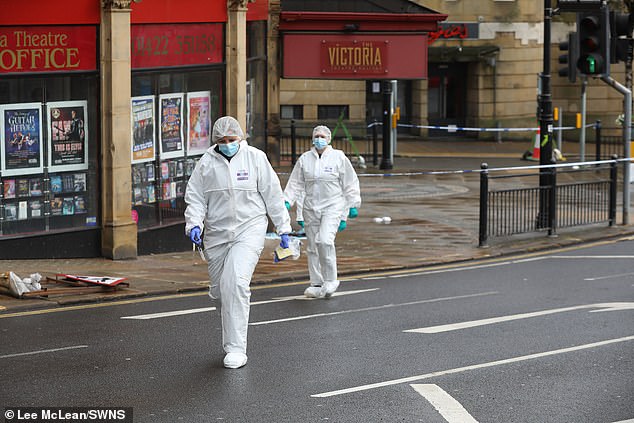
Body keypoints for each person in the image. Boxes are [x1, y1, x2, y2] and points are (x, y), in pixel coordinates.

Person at [184, 116, 292, 369]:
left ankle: (235, 348)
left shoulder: (255, 158)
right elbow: (196, 197)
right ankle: (231, 332)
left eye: (232, 140)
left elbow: (273, 194)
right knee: (219, 292)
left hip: (249, 229)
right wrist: (194, 223)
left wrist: (284, 228)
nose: (228, 144)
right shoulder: (206, 164)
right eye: (222, 141)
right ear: (215, 141)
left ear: (241, 138)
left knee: (235, 283)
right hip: (217, 233)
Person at [283, 125, 361, 299]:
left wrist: (352, 204)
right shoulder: (305, 159)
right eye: (316, 136)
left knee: (324, 241)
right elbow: (296, 183)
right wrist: (288, 200)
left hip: (332, 206)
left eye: (322, 136)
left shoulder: (338, 157)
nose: (319, 139)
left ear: (328, 138)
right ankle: (316, 283)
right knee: (313, 247)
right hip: (311, 207)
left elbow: (349, 182)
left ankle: (331, 279)